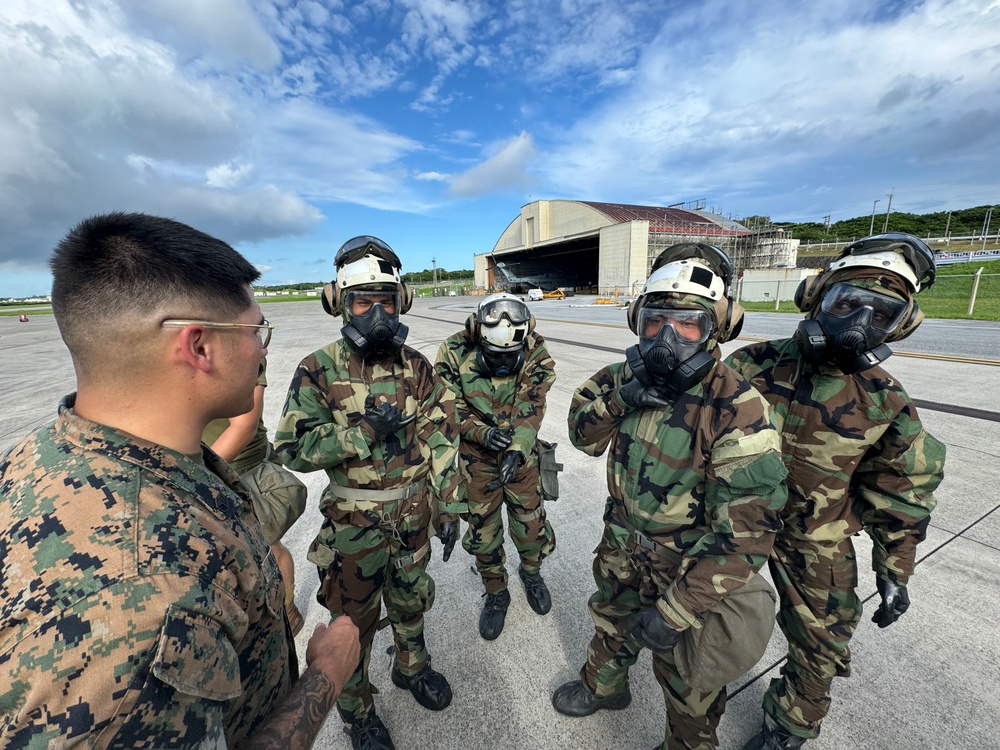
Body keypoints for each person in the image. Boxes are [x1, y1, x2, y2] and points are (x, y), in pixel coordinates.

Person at [0, 212, 360, 748]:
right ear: (198, 346)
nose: (263, 349)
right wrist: (325, 677)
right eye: (256, 330)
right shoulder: (141, 602)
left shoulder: (37, 458)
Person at [552, 243, 789, 750]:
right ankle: (605, 686)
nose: (667, 338)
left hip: (690, 568)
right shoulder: (623, 377)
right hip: (622, 542)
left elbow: (746, 536)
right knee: (610, 620)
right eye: (656, 321)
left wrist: (676, 610)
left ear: (716, 329)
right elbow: (580, 434)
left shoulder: (738, 408)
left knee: (688, 682)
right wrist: (621, 400)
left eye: (687, 324)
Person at [728, 233, 946, 750]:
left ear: (902, 324)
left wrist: (896, 568)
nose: (858, 325)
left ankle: (789, 728)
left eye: (882, 314)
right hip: (736, 525)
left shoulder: (884, 399)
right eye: (847, 304)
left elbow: (902, 487)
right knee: (705, 624)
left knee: (823, 643)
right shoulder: (751, 364)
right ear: (816, 298)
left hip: (817, 538)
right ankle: (693, 720)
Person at [275, 235, 465, 750]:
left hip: (412, 520)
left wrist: (450, 506)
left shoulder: (418, 367)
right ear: (340, 305)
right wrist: (362, 434)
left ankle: (412, 667)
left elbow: (442, 439)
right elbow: (292, 447)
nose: (377, 314)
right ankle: (358, 711)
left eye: (386, 301)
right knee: (351, 626)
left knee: (410, 601)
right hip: (353, 532)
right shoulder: (319, 369)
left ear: (401, 301)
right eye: (363, 302)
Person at [434, 292, 557, 640]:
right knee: (483, 533)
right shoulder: (453, 350)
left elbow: (532, 401)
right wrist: (480, 433)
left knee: (531, 526)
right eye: (493, 354)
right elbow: (445, 404)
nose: (502, 361)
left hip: (522, 454)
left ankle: (531, 573)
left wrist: (518, 448)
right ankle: (495, 592)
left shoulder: (534, 348)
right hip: (476, 460)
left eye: (509, 355)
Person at [203, 356, 307, 635]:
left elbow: (244, 427)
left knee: (268, 547)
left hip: (241, 470)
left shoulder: (238, 343)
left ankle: (287, 611)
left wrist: (193, 473)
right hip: (201, 466)